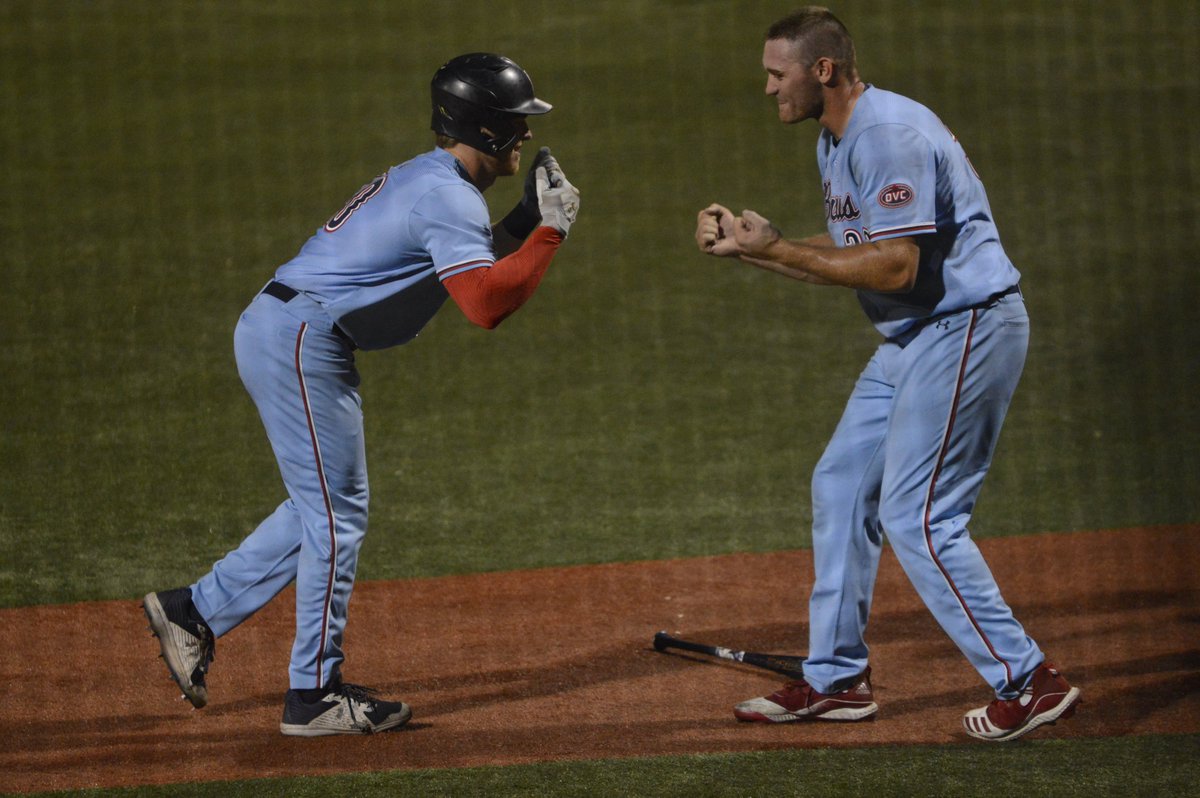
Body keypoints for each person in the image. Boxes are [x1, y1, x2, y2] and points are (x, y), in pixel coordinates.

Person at [143, 52, 580, 737]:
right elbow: (484, 304)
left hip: (290, 329)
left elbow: (457, 267)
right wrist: (552, 231)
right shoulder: (448, 196)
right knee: (336, 518)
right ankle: (313, 695)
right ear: (487, 128)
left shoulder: (432, 179)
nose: (526, 133)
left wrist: (525, 219)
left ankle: (193, 611)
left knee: (322, 507)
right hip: (301, 337)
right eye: (517, 121)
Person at [694, 8, 1079, 742]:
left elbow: (896, 268)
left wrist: (776, 251)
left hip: (965, 328)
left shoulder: (886, 135)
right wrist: (756, 250)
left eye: (777, 73)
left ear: (823, 70)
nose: (768, 87)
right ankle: (837, 680)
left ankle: (1030, 680)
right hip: (914, 337)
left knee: (921, 517)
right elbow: (859, 252)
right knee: (841, 484)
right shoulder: (836, 137)